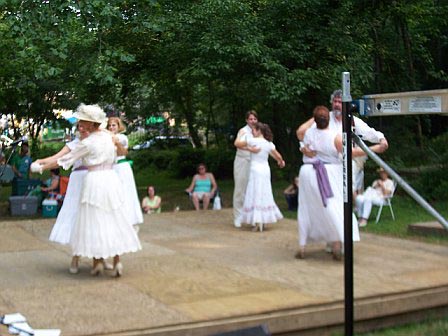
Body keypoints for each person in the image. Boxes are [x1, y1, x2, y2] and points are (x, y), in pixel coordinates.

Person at [56, 104, 141, 277]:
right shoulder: (91, 140)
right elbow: (62, 156)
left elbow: (62, 160)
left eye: (83, 123)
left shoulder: (101, 139)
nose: (81, 127)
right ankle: (88, 258)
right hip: (90, 179)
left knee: (95, 219)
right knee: (89, 218)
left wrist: (42, 164)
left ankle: (100, 260)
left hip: (95, 180)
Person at [297, 106, 383, 260]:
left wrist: (306, 147)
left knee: (307, 210)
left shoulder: (309, 132)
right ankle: (337, 246)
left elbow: (300, 131)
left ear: (314, 120)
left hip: (307, 173)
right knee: (336, 208)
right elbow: (350, 152)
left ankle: (303, 246)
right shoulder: (334, 136)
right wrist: (374, 149)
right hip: (328, 173)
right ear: (328, 119)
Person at [234, 122, 285, 232]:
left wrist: (247, 146)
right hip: (265, 170)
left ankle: (257, 222)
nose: (252, 131)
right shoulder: (268, 143)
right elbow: (278, 155)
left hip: (255, 170)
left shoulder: (252, 140)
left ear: (259, 131)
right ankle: (262, 220)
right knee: (264, 192)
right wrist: (280, 161)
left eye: (254, 130)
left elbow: (237, 144)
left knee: (254, 193)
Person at [107, 117, 143, 228]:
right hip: (111, 168)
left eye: (114, 125)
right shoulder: (107, 138)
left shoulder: (122, 138)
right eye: (110, 125)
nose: (111, 127)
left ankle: (130, 219)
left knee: (126, 192)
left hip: (122, 167)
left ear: (118, 127)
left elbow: (118, 144)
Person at [233, 110, 258, 228]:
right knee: (240, 188)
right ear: (246, 120)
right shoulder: (243, 131)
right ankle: (238, 216)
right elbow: (237, 144)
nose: (253, 121)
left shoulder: (258, 131)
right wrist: (250, 148)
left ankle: (251, 216)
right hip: (242, 162)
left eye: (254, 119)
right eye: (250, 119)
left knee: (252, 189)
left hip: (254, 162)